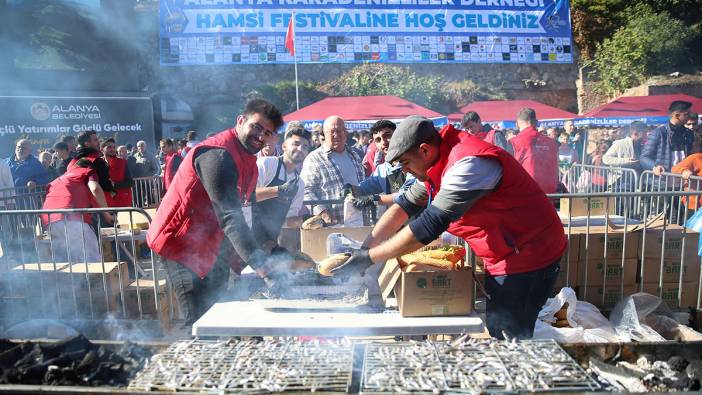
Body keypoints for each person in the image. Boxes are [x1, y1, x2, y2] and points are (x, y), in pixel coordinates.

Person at [329, 116, 566, 339]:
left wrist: (369, 258)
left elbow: (429, 225)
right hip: (504, 251)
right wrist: (365, 247)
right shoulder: (436, 161)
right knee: (498, 324)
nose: (404, 170)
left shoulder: (469, 164)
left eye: (405, 163)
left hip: (531, 253)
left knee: (510, 332)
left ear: (424, 150)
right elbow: (405, 205)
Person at [146, 99, 291, 325]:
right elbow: (231, 217)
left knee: (218, 313)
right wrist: (264, 269)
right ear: (241, 121)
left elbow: (249, 211)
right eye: (256, 126)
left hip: (214, 245)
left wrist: (271, 247)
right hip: (180, 243)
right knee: (198, 319)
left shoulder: (250, 163)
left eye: (268, 132)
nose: (261, 136)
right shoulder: (217, 154)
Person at [41, 158, 113, 263]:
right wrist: (108, 214)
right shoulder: (87, 172)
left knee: (68, 262)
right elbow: (95, 189)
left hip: (50, 222)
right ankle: (96, 279)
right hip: (70, 219)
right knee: (92, 260)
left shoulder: (57, 180)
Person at [250, 127, 310, 249]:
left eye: (305, 147)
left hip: (269, 241)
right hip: (247, 236)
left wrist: (306, 220)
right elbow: (246, 196)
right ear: (284, 146)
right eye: (296, 144)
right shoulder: (266, 164)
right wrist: (278, 190)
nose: (300, 149)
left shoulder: (299, 184)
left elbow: (287, 221)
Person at [300, 116, 365, 225]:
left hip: (359, 222)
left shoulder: (354, 155)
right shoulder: (314, 158)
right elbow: (305, 190)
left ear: (345, 132)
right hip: (332, 225)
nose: (336, 135)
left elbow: (363, 185)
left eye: (340, 131)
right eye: (332, 132)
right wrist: (323, 213)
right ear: (324, 135)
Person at [347, 120, 415, 213]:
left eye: (387, 136)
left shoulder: (413, 162)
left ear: (397, 135)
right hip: (396, 220)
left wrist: (374, 199)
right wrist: (351, 189)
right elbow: (365, 188)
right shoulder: (382, 169)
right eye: (378, 140)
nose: (383, 142)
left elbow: (407, 195)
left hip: (420, 220)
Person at [509, 108, 559, 194]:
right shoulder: (552, 143)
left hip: (525, 193)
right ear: (536, 122)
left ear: (517, 124)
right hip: (550, 194)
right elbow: (556, 167)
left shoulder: (513, 142)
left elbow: (508, 170)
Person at [641, 100, 693, 176]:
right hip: (661, 184)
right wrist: (654, 167)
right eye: (687, 114)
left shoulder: (689, 133)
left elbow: (691, 156)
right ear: (677, 115)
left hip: (683, 183)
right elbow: (644, 157)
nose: (689, 116)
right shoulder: (658, 133)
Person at [70, 130, 116, 198]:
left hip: (76, 201)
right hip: (95, 202)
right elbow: (105, 186)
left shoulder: (73, 161)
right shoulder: (97, 161)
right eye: (95, 140)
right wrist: (111, 185)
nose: (98, 142)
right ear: (87, 143)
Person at [102, 138, 134, 207]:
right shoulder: (98, 163)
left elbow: (131, 182)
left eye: (114, 147)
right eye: (109, 147)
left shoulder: (122, 163)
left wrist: (114, 184)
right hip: (103, 202)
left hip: (119, 201)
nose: (112, 149)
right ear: (102, 149)